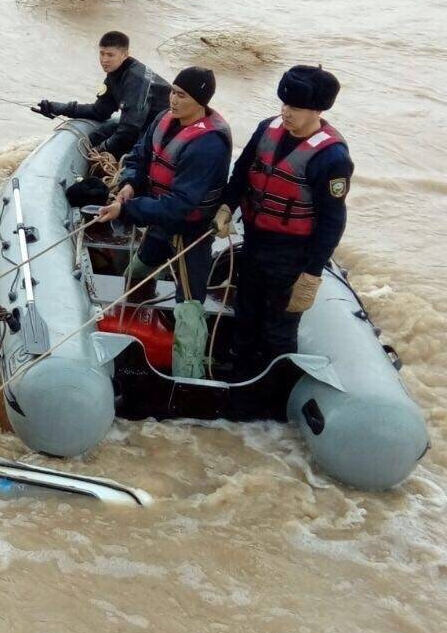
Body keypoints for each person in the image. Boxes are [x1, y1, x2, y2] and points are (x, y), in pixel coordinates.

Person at [215, 65, 352, 379]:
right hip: (255, 241)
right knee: (245, 312)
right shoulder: (267, 129)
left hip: (291, 254)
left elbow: (333, 220)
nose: (286, 112)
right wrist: (226, 206)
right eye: (284, 104)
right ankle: (240, 372)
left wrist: (312, 273)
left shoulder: (332, 158)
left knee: (280, 327)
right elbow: (241, 173)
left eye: (295, 108)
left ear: (317, 109)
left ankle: (274, 386)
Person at [96, 66, 233, 378]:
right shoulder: (163, 120)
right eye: (173, 91)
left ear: (200, 101)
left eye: (181, 95)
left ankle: (189, 374)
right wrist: (130, 183)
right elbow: (140, 156)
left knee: (189, 305)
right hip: (159, 220)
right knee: (137, 271)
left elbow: (181, 205)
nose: (173, 99)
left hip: (188, 231)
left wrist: (127, 210)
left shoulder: (208, 145)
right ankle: (128, 332)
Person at [32, 31, 172, 158]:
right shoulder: (115, 73)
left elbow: (129, 131)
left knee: (111, 146)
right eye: (102, 53)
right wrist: (57, 108)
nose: (104, 60)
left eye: (110, 55)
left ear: (125, 54)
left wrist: (102, 149)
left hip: (162, 133)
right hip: (142, 125)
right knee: (95, 136)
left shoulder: (135, 80)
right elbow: (100, 111)